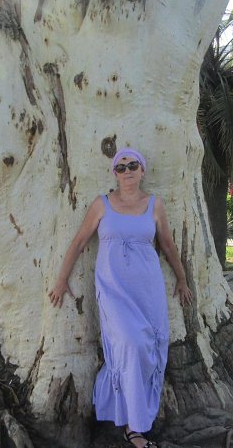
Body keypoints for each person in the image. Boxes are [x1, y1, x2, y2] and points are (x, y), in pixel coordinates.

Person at [48, 148, 193, 448]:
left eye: (132, 165)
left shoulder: (155, 205)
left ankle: (134, 427)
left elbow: (167, 245)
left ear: (142, 170)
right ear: (115, 173)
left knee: (146, 350)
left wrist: (182, 279)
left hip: (148, 292)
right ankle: (132, 425)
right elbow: (79, 241)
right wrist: (61, 280)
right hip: (114, 293)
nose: (127, 171)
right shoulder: (101, 204)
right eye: (121, 167)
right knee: (130, 344)